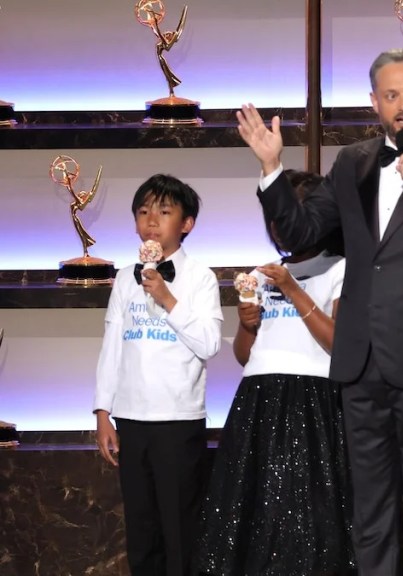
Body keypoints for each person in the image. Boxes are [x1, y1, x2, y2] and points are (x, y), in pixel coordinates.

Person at [235, 48, 403, 576]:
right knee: (369, 515)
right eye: (392, 96)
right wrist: (270, 170)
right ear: (373, 102)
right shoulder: (352, 161)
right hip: (361, 363)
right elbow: (302, 234)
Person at [197, 170, 355, 575]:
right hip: (257, 401)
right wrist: (247, 324)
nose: (279, 227)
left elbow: (339, 344)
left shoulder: (340, 269)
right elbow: (244, 355)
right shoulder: (262, 274)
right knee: (252, 515)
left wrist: (293, 289)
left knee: (309, 517)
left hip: (312, 402)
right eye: (273, 217)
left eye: (288, 215)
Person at [94, 174, 223, 576]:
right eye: (144, 211)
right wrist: (102, 410)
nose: (152, 220)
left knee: (181, 528)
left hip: (178, 420)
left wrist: (167, 298)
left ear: (187, 224)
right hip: (132, 419)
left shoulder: (200, 278)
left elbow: (209, 344)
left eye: (164, 212)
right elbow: (113, 342)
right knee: (142, 528)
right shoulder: (123, 278)